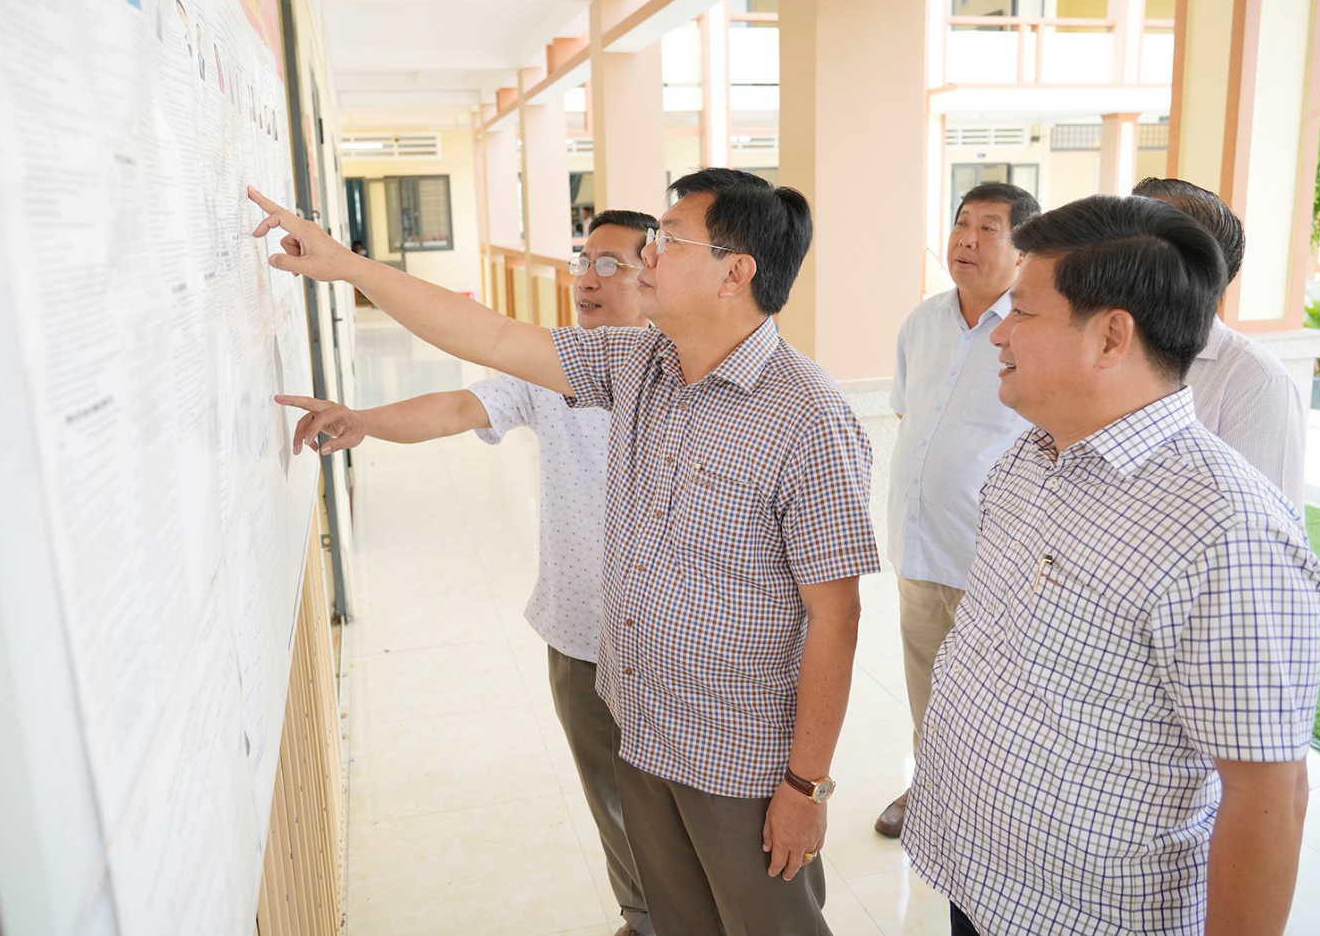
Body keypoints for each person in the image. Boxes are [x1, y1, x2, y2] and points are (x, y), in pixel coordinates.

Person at [250, 167, 881, 936]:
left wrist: (805, 786)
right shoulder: (640, 364)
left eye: (668, 240)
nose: (648, 255)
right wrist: (347, 266)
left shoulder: (809, 418)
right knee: (677, 921)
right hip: (641, 726)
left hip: (736, 755)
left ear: (734, 273)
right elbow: (489, 336)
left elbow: (836, 617)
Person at [901, 194, 1320, 936]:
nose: (998, 332)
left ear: (1110, 337)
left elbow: (1269, 795)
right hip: (979, 879)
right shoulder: (1029, 457)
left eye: (1022, 312)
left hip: (1090, 917)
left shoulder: (1227, 532)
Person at [278, 210, 659, 936]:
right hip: (578, 630)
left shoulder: (681, 373)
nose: (587, 278)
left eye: (611, 264)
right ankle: (642, 917)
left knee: (678, 804)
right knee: (609, 796)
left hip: (671, 643)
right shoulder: (554, 366)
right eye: (583, 260)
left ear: (656, 274)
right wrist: (365, 420)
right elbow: (459, 405)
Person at [875, 182, 1039, 839]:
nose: (966, 239)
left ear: (1022, 249)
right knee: (926, 686)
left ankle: (998, 811)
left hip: (993, 561)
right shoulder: (922, 323)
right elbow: (907, 416)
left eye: (988, 228)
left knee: (1000, 699)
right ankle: (929, 789)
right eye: (960, 223)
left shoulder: (1033, 332)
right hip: (920, 546)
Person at [1132, 176, 1306, 508]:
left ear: (1204, 268)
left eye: (1141, 244)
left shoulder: (1256, 378)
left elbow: (1266, 520)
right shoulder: (1107, 350)